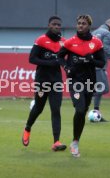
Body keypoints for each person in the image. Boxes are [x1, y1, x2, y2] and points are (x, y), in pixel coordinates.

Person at [57, 15, 105, 157]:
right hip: (75, 81)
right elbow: (60, 57)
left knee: (83, 110)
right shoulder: (70, 42)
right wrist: (66, 68)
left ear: (89, 25)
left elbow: (102, 63)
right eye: (78, 23)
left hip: (90, 81)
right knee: (79, 109)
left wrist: (92, 60)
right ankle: (75, 144)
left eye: (83, 23)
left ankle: (75, 141)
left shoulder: (96, 43)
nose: (80, 26)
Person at [22, 16, 67, 151]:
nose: (57, 26)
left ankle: (56, 142)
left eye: (59, 24)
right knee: (38, 108)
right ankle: (27, 128)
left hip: (56, 81)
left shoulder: (64, 42)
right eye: (54, 24)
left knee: (56, 109)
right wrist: (51, 63)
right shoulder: (41, 40)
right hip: (42, 80)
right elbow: (32, 59)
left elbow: (68, 60)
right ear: (49, 25)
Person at [92, 19, 110, 122]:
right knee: (104, 89)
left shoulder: (93, 32)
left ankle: (96, 112)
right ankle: (85, 95)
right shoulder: (107, 33)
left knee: (99, 89)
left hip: (92, 65)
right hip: (98, 66)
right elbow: (106, 49)